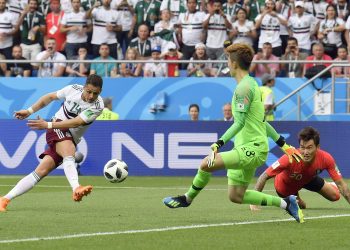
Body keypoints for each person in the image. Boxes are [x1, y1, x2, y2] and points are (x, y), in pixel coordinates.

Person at [163, 43, 304, 223]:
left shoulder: (243, 88)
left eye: (228, 60)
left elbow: (239, 123)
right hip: (249, 147)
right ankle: (286, 203)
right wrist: (284, 145)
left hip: (252, 148)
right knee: (236, 196)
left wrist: (218, 144)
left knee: (207, 164)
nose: (227, 64)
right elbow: (261, 122)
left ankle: (187, 198)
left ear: (235, 64)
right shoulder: (252, 83)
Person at [0, 74, 104, 212]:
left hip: (67, 135)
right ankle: (76, 188)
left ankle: (5, 199)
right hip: (57, 127)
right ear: (84, 87)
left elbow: (77, 122)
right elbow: (49, 97)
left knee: (41, 171)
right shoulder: (73, 89)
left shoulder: (98, 106)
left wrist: (48, 125)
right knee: (69, 153)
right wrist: (29, 111)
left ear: (100, 92)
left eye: (95, 93)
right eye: (89, 91)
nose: (91, 96)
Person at [250, 126, 350, 211]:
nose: (305, 152)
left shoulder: (326, 158)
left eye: (309, 147)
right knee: (302, 206)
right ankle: (295, 200)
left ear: (318, 147)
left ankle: (330, 185)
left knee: (335, 196)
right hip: (286, 187)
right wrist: (254, 201)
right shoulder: (290, 157)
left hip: (308, 178)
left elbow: (341, 184)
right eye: (302, 147)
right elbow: (264, 176)